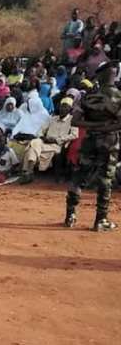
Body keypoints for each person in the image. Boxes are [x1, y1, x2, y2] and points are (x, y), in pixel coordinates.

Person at [66, 61, 121, 231]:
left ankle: (70, 215)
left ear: (100, 76)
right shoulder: (119, 97)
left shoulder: (88, 97)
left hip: (89, 141)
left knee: (80, 175)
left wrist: (92, 126)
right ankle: (100, 220)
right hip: (109, 142)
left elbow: (74, 120)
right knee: (105, 178)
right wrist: (103, 126)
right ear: (115, 75)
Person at [19, 97, 79, 183]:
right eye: (62, 106)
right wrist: (42, 137)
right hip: (45, 142)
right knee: (34, 142)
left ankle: (28, 172)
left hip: (57, 144)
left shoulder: (72, 120)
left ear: (70, 109)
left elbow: (74, 135)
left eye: (66, 107)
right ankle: (30, 171)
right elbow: (41, 130)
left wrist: (56, 140)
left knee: (31, 148)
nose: (63, 109)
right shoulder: (53, 118)